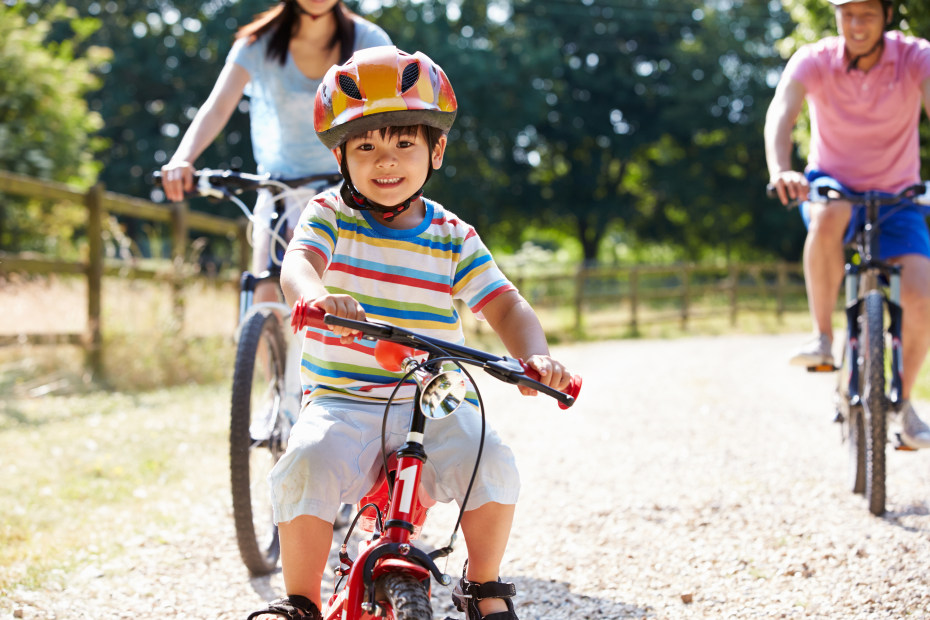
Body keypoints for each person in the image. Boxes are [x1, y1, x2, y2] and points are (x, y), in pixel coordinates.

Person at [247, 46, 571, 620]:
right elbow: (297, 264)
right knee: (307, 460)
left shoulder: (452, 235)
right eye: (365, 146)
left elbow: (506, 306)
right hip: (343, 400)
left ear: (436, 149)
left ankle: (485, 586)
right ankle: (299, 601)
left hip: (432, 402)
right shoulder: (330, 215)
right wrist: (315, 297)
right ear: (341, 154)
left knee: (489, 458)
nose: (385, 161)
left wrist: (535, 357)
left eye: (404, 143)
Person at [765, 0, 930, 448]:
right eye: (847, 14)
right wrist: (782, 167)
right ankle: (822, 335)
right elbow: (782, 111)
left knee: (921, 292)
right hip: (833, 186)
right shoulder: (815, 59)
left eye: (867, 15)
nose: (856, 25)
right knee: (829, 212)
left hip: (899, 196)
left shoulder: (915, 57)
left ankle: (906, 406)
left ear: (888, 15)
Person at [160, 0, 390, 305]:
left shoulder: (368, 42)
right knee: (264, 295)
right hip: (280, 187)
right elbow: (217, 107)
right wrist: (182, 159)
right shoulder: (257, 45)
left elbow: (393, 113)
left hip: (348, 186)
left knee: (351, 298)